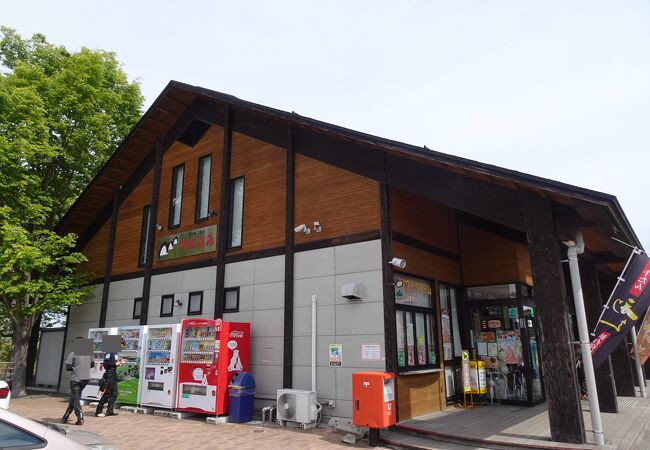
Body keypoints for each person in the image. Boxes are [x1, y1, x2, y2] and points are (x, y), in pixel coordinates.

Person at [62, 337, 95, 425]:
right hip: (85, 379)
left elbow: (68, 367)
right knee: (74, 397)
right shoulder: (89, 354)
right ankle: (66, 415)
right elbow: (92, 365)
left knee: (76, 398)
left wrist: (76, 367)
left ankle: (80, 417)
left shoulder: (72, 354)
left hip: (75, 379)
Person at [95, 349, 126, 417]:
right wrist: (115, 363)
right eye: (122, 345)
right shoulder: (109, 351)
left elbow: (113, 363)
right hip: (109, 374)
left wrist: (120, 362)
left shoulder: (115, 352)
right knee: (107, 393)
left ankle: (110, 411)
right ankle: (98, 411)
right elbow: (105, 363)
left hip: (113, 374)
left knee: (115, 393)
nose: (122, 347)